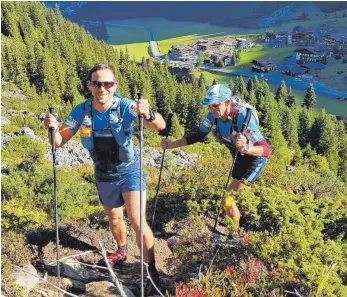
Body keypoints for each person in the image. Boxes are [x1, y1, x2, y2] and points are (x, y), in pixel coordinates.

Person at [44, 63, 165, 295]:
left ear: (114, 85)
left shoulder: (127, 106)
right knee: (114, 217)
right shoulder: (81, 111)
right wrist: (51, 129)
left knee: (137, 221)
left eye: (107, 83)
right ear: (90, 86)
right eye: (97, 83)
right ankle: (121, 250)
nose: (103, 88)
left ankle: (152, 272)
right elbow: (58, 141)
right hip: (103, 173)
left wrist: (148, 113)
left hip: (130, 171)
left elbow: (159, 125)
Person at [161, 84, 270, 234]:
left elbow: (265, 149)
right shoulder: (213, 116)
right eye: (209, 106)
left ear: (227, 103)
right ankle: (236, 231)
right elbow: (198, 135)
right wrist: (172, 145)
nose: (211, 109)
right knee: (229, 199)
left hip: (254, 161)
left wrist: (247, 149)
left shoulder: (243, 117)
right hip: (238, 158)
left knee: (227, 199)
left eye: (215, 105)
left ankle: (234, 236)